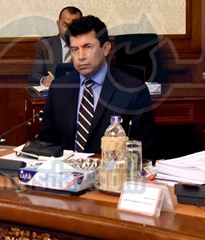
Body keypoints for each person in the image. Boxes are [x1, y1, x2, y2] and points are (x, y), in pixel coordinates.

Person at [37, 15, 157, 158]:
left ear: (105, 48)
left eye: (88, 47)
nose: (81, 56)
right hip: (64, 170)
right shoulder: (59, 88)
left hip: (112, 169)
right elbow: (46, 143)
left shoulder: (133, 90)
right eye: (75, 49)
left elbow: (143, 150)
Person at [28, 6, 82, 86]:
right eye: (65, 25)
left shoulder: (88, 46)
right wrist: (44, 80)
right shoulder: (45, 46)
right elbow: (35, 75)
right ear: (58, 24)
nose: (69, 31)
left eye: (73, 26)